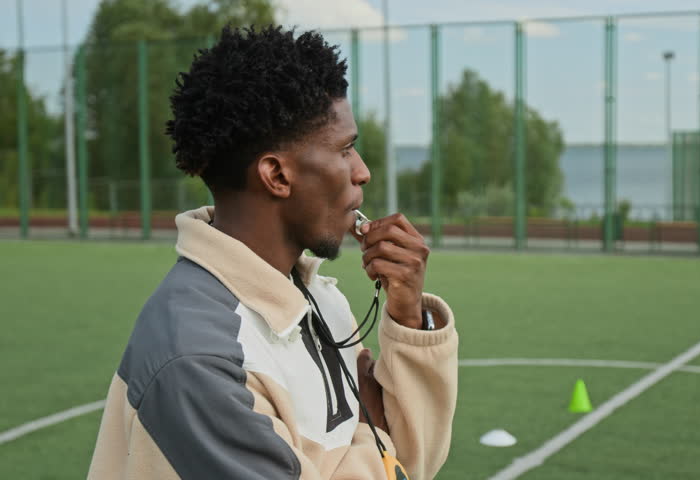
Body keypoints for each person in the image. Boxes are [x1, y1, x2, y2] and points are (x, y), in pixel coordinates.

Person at [88, 25, 458, 480]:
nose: (362, 173)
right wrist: (371, 435)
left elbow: (410, 455)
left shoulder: (313, 295)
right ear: (277, 176)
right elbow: (392, 457)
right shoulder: (200, 357)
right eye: (344, 150)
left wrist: (406, 317)